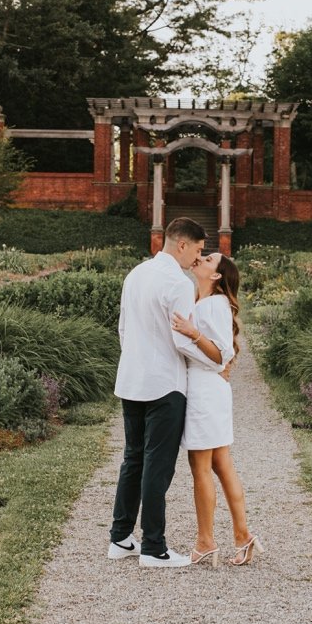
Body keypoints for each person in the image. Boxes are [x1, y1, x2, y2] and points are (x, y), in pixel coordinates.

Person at [107, 217, 214, 568]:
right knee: (158, 465)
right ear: (181, 244)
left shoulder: (135, 274)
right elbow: (181, 340)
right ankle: (154, 548)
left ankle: (121, 538)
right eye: (197, 250)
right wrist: (215, 360)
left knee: (133, 458)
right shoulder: (178, 282)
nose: (196, 259)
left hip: (132, 380)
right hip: (165, 385)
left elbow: (123, 328)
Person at [171, 252, 261, 567]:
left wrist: (191, 332)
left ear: (216, 275)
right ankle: (243, 536)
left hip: (204, 392)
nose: (201, 258)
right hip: (211, 389)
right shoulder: (206, 302)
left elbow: (221, 353)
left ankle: (206, 541)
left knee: (201, 468)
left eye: (208, 258)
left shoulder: (212, 304)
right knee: (222, 465)